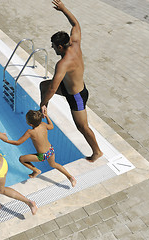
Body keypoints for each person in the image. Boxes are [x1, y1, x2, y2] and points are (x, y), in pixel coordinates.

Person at [40, 0, 103, 162]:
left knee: (82, 127)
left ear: (60, 47)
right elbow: (75, 23)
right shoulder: (75, 43)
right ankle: (43, 111)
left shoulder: (63, 64)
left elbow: (53, 89)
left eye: (53, 46)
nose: (52, 48)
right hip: (71, 89)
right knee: (43, 85)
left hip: (77, 97)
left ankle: (97, 152)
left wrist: (44, 103)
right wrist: (63, 9)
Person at [3, 110, 76, 187]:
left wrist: (5, 140)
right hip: (51, 150)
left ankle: (36, 170)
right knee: (54, 164)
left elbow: (18, 142)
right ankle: (70, 177)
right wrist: (47, 116)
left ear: (30, 124)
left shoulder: (30, 132)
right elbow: (51, 126)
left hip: (42, 155)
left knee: (22, 159)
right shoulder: (43, 125)